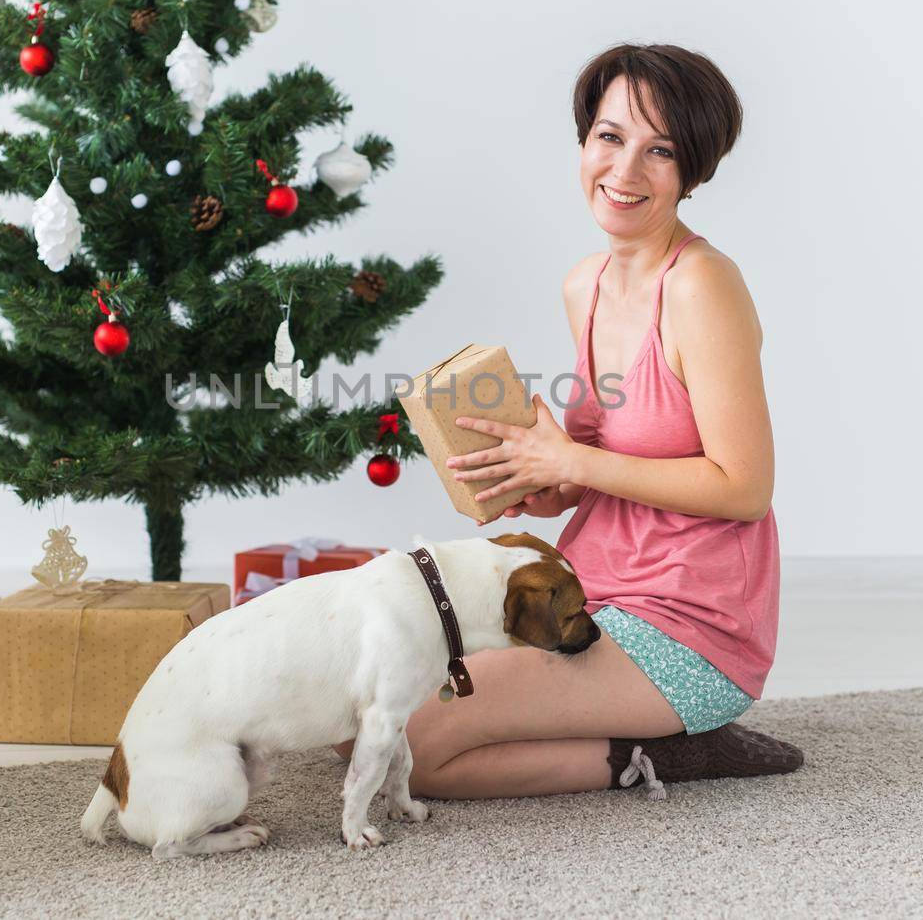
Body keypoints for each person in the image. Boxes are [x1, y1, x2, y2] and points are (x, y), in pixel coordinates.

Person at [335, 43, 802, 798]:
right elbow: (598, 463)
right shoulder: (585, 284)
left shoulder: (701, 286)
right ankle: (607, 724)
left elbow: (745, 486)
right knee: (358, 709)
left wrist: (573, 465)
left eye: (661, 151)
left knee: (407, 747)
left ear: (693, 172)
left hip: (691, 629)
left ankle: (675, 750)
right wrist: (537, 478)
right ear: (584, 141)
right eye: (610, 138)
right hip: (587, 595)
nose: (624, 171)